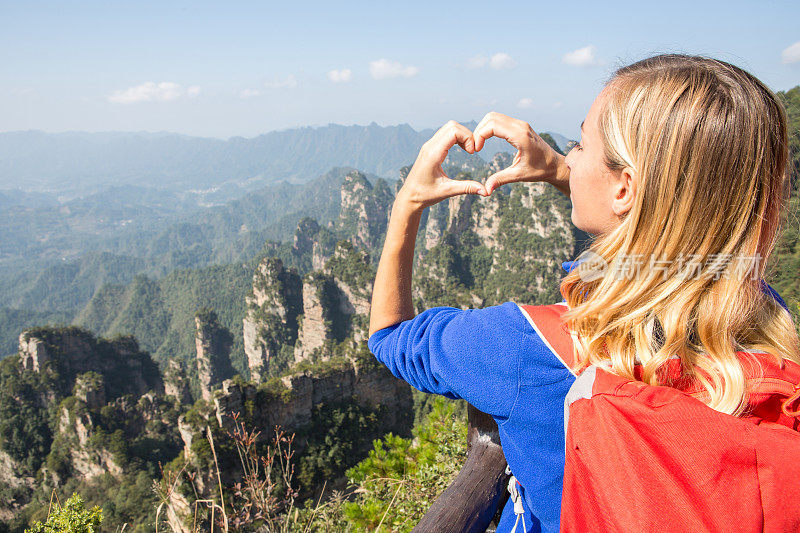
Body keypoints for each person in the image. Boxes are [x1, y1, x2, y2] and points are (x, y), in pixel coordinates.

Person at [367, 54, 800, 532]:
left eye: (579, 144)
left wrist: (407, 201)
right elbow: (667, 251)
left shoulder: (526, 346)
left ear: (626, 188)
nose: (569, 157)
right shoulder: (758, 311)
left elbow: (391, 335)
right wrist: (557, 169)